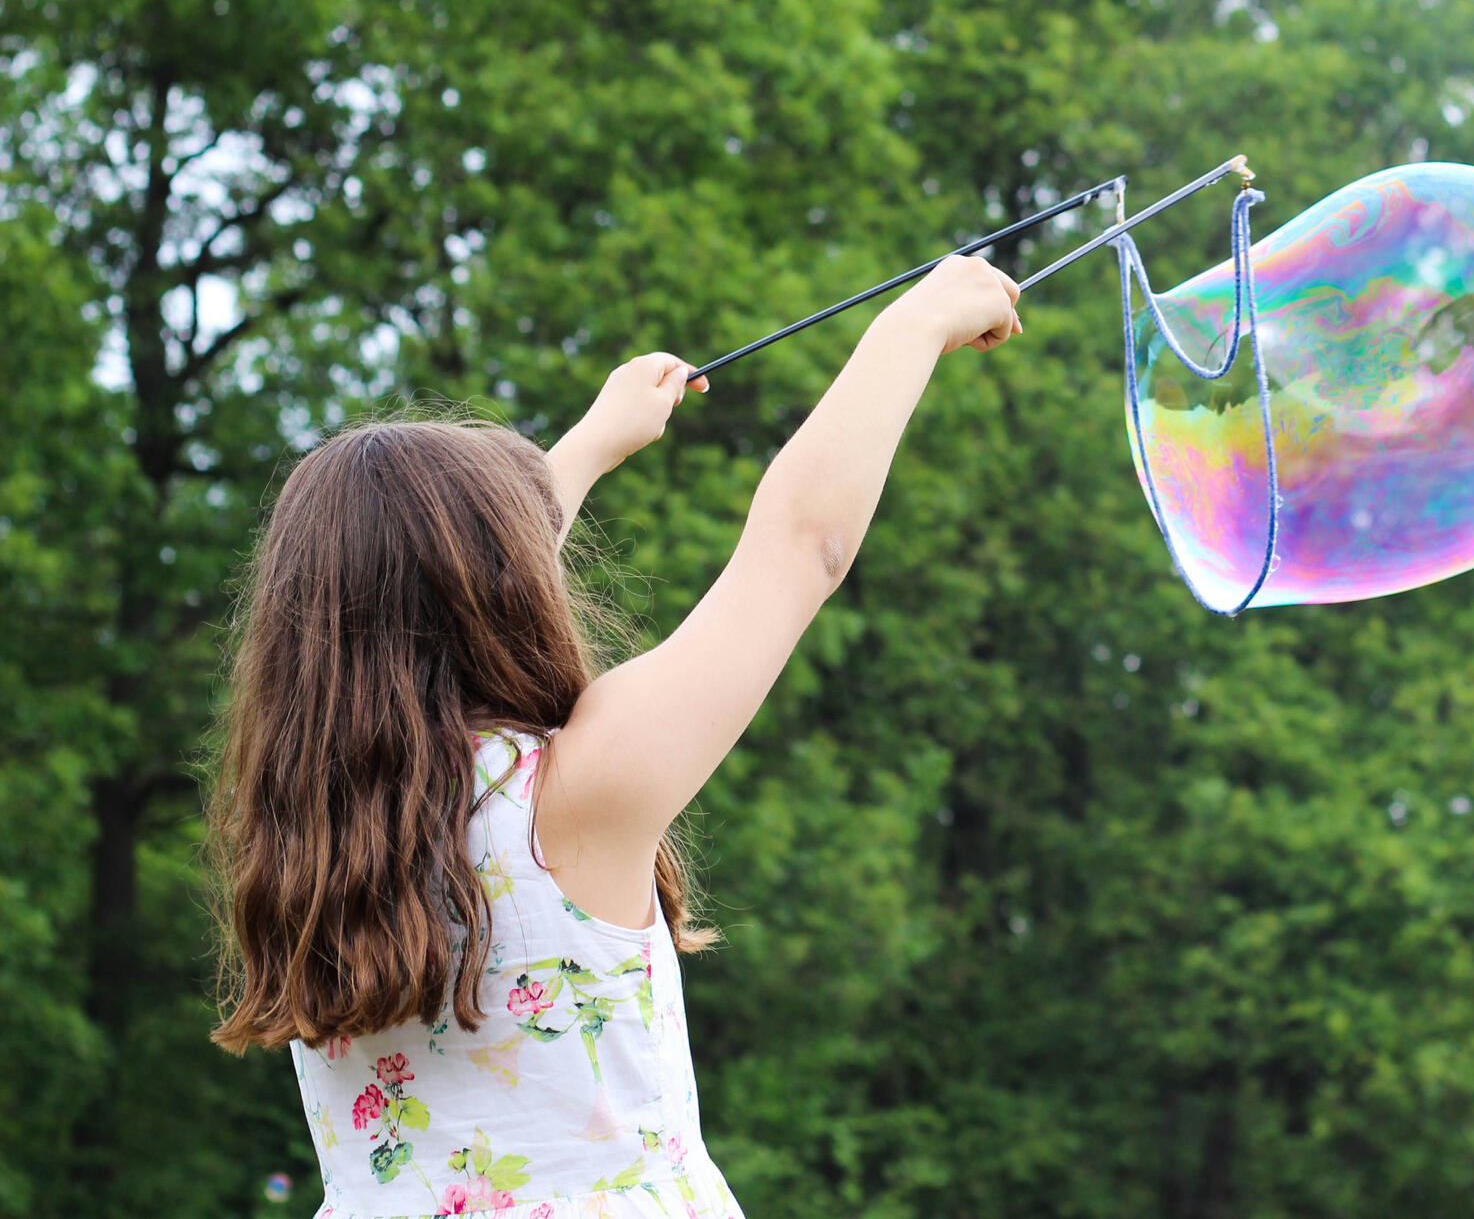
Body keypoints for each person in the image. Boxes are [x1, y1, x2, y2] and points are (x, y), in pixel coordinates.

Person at [205, 255, 1023, 1218]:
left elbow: (427, 596)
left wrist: (592, 443)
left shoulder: (309, 837)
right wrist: (913, 324)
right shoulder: (569, 796)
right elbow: (803, 545)